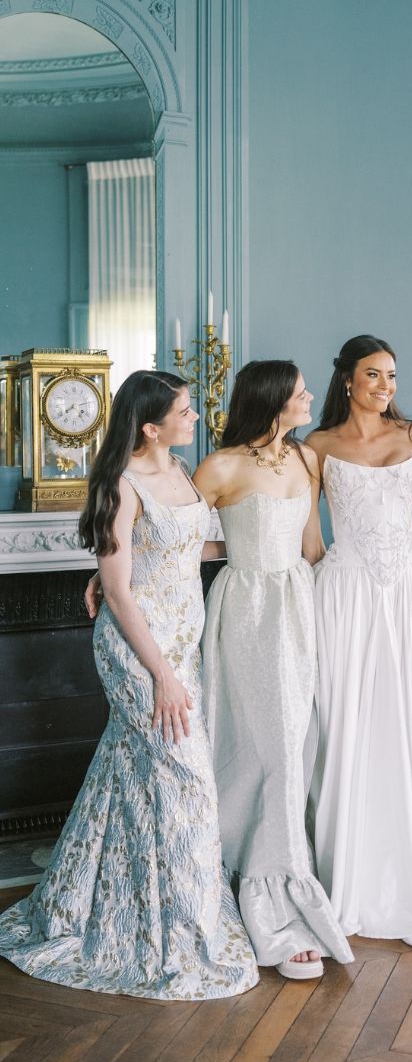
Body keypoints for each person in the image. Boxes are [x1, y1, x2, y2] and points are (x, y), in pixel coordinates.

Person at [0, 372, 258, 1000]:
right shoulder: (120, 483)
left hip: (182, 647)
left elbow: (188, 548)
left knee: (129, 772)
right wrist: (161, 676)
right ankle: (181, 928)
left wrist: (262, 545)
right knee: (187, 781)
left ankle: (86, 898)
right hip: (141, 655)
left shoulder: (184, 471)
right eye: (184, 411)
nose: (194, 418)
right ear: (150, 426)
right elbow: (118, 592)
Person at [305, 335, 412, 949]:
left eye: (392, 376)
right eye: (373, 375)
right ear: (347, 379)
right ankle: (351, 878)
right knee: (349, 721)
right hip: (344, 594)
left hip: (411, 594)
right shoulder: (318, 447)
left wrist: (411, 545)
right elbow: (310, 540)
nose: (385, 386)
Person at [193, 360, 353, 980]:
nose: (310, 397)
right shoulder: (220, 466)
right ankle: (274, 908)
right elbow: (177, 539)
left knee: (293, 746)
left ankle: (270, 878)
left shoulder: (305, 459)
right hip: (246, 613)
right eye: (300, 392)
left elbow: (312, 547)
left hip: (297, 609)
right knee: (262, 747)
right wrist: (112, 573)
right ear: (273, 400)